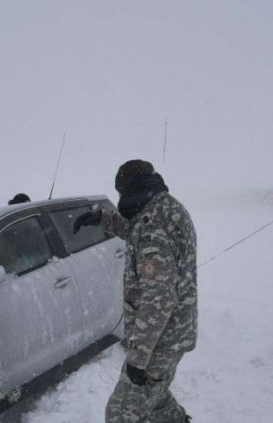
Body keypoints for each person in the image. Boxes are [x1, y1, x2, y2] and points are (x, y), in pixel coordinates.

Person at [73, 160, 197, 423]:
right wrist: (102, 219)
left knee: (121, 413)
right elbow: (134, 230)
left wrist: (138, 358)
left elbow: (158, 299)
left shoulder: (153, 223)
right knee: (155, 399)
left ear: (127, 189)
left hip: (161, 340)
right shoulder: (163, 208)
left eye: (119, 192)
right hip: (172, 333)